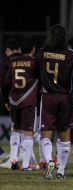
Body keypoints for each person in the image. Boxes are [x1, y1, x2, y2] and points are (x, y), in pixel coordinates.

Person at [37, 24, 73, 179]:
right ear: (65, 37)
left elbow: (37, 74)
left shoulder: (42, 53)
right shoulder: (72, 55)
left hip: (48, 96)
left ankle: (49, 161)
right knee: (65, 137)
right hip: (65, 98)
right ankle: (61, 171)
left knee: (46, 135)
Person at [4, 36, 39, 171]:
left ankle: (13, 159)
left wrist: (8, 99)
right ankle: (25, 165)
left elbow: (7, 82)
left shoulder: (12, 62)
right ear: (33, 49)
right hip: (28, 101)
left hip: (14, 100)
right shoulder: (34, 62)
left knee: (16, 130)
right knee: (28, 133)